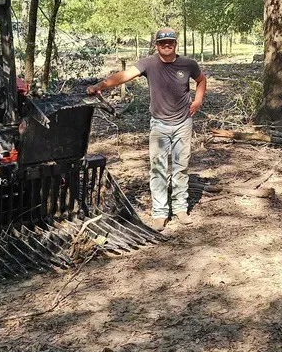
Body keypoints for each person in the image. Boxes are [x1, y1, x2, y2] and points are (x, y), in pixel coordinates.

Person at [87, 28, 207, 231]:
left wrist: (197, 100)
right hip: (159, 124)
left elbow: (201, 80)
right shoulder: (149, 63)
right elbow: (125, 75)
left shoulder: (188, 64)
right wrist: (101, 85)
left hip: (183, 123)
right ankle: (160, 213)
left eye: (170, 42)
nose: (166, 46)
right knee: (158, 168)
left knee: (181, 167)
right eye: (162, 43)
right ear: (156, 45)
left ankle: (180, 209)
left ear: (175, 44)